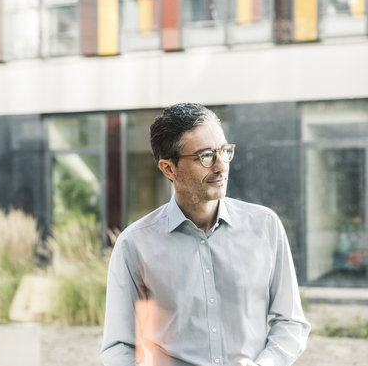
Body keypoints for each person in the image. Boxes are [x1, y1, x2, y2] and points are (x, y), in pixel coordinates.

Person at [100, 103, 310, 366]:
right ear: (169, 169)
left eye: (224, 151)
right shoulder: (134, 244)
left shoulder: (265, 226)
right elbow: (119, 347)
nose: (221, 166)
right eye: (206, 156)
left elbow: (291, 322)